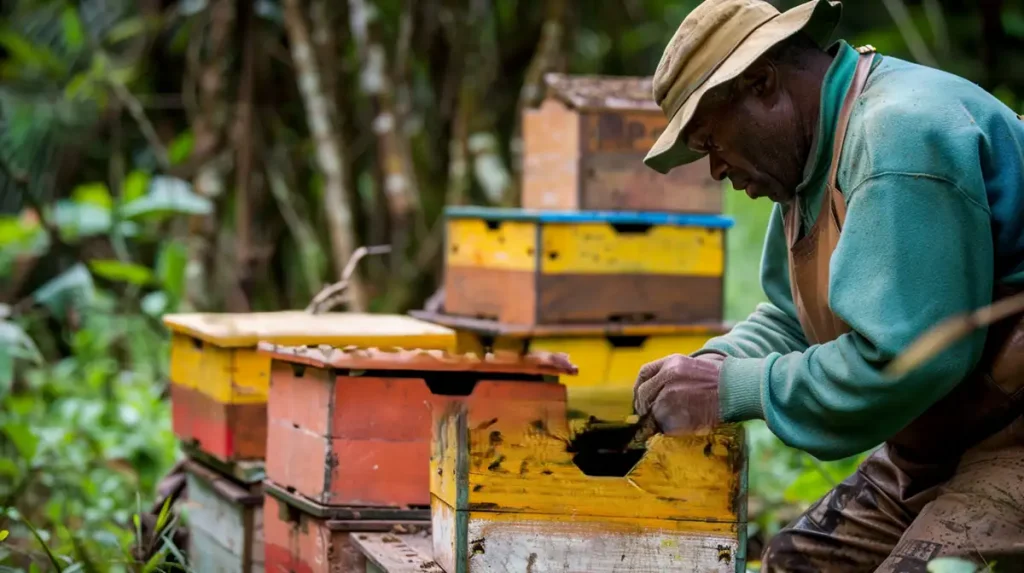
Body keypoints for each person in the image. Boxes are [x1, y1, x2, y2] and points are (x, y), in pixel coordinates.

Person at [633, 0, 1024, 570]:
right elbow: (794, 317)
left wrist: (734, 387)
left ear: (763, 84)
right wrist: (708, 365)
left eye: (710, 141)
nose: (715, 170)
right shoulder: (809, 161)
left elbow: (908, 360)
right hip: (942, 440)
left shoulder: (900, 134)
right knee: (793, 563)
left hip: (1012, 441)